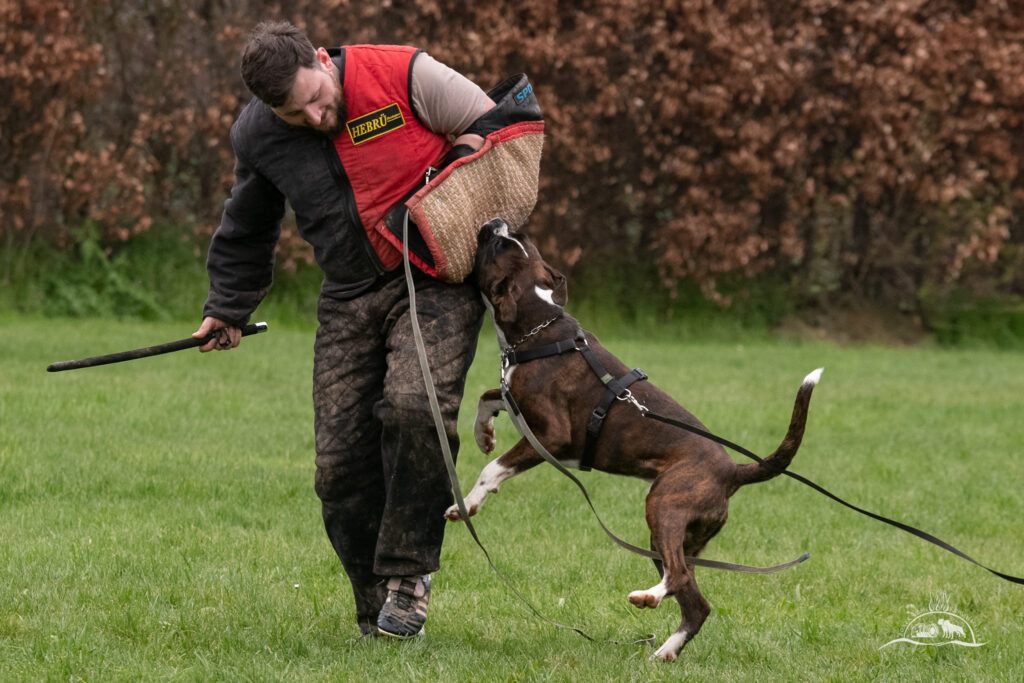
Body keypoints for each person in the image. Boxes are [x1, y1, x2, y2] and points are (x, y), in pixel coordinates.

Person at [192, 20, 494, 639]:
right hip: (350, 293)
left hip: (433, 278)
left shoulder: (403, 73)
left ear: (321, 61)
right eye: (294, 112)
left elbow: (499, 124)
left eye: (316, 97)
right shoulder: (259, 134)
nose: (313, 115)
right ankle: (373, 606)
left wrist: (452, 177)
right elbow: (248, 224)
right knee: (337, 467)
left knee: (416, 408)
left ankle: (410, 577)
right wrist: (228, 306)